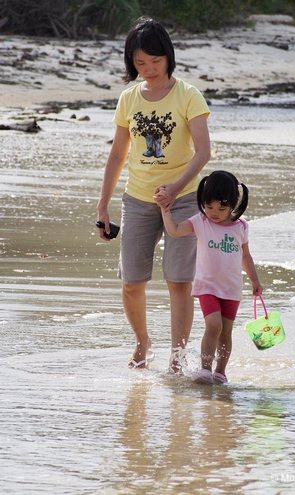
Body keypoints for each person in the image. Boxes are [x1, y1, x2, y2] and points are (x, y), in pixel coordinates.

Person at [96, 17, 211, 371]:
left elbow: (204, 152)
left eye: (155, 62)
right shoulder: (129, 98)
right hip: (139, 199)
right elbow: (117, 154)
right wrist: (102, 205)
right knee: (132, 282)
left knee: (179, 281)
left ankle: (177, 356)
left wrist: (175, 188)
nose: (149, 70)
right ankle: (143, 343)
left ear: (168, 58)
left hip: (185, 198)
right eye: (140, 63)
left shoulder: (188, 95)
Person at [154, 170, 263, 384]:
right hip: (207, 286)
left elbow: (246, 256)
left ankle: (220, 372)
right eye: (209, 206)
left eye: (222, 208)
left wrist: (255, 280)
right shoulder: (201, 222)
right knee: (214, 325)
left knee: (226, 331)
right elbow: (175, 231)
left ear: (233, 205)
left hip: (231, 288)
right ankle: (205, 369)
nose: (214, 212)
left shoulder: (241, 227)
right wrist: (165, 212)